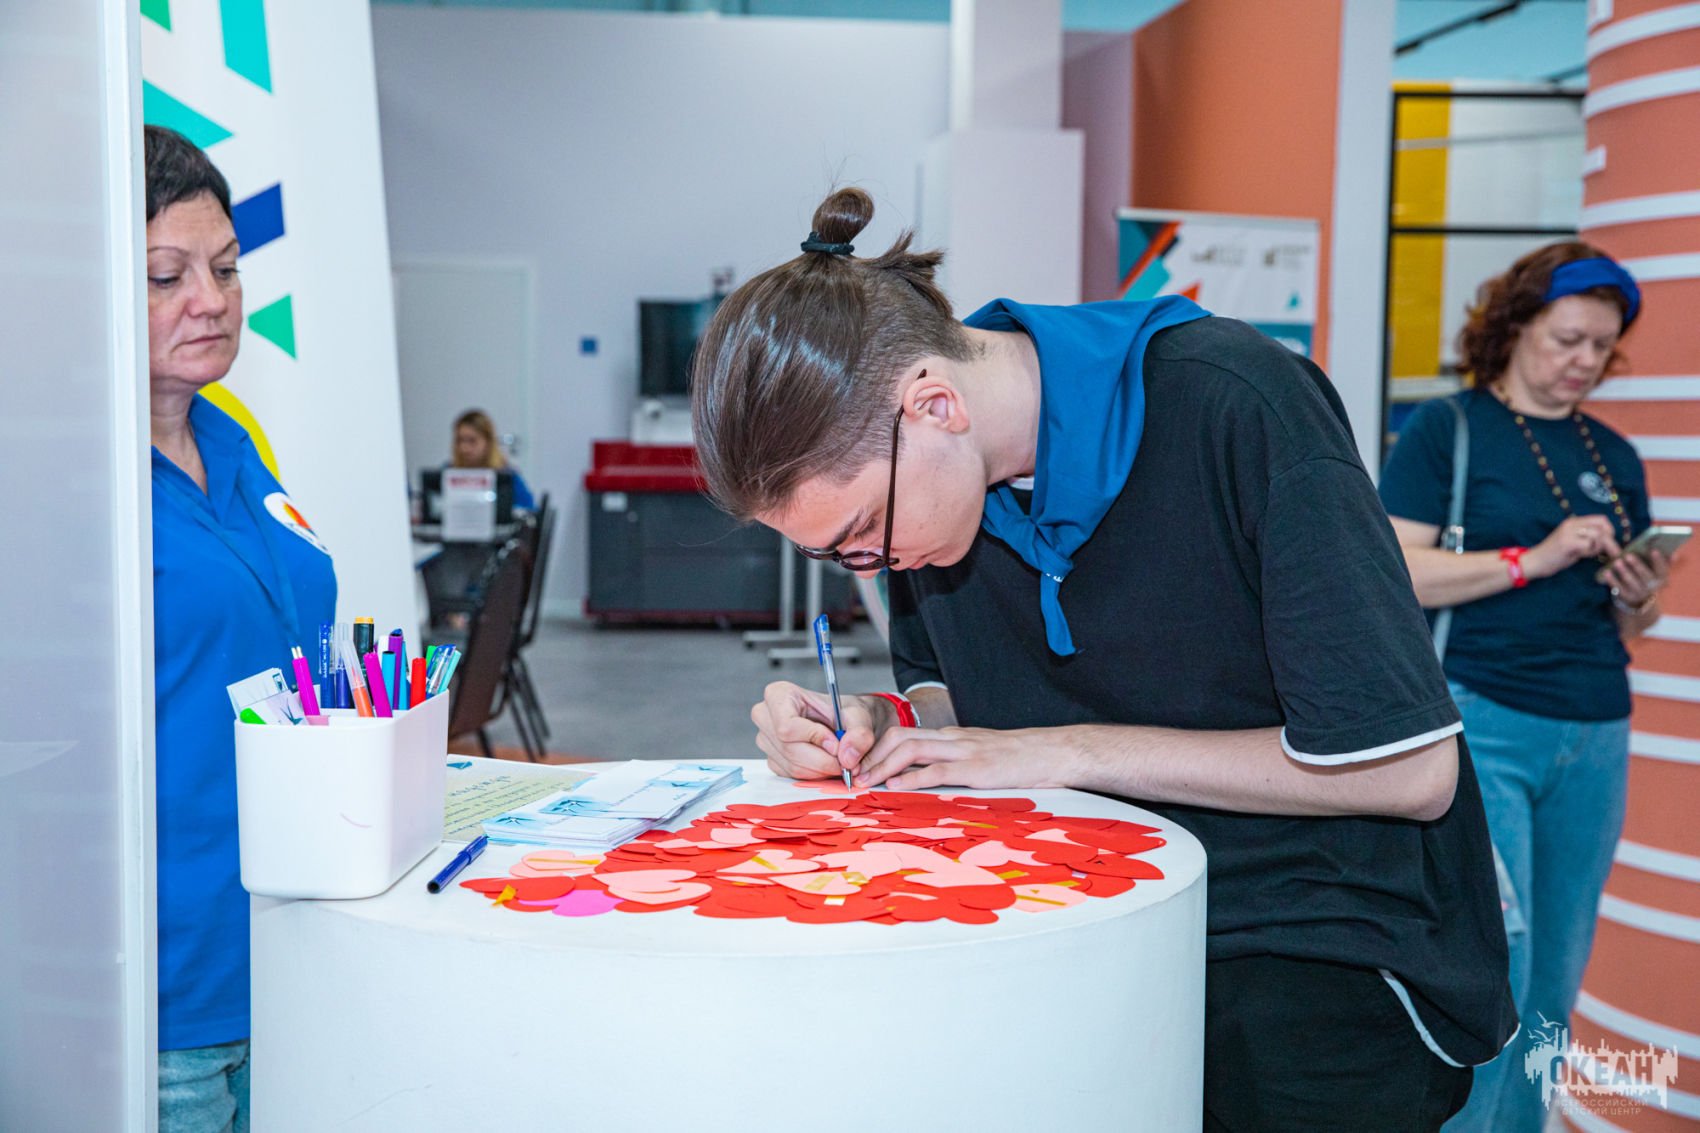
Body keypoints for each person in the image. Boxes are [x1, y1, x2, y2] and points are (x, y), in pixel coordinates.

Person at [690, 187, 1516, 1130]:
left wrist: (1069, 749)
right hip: (1082, 926)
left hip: (1307, 950)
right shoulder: (932, 502)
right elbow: (968, 708)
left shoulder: (1236, 403)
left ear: (934, 405)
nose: (866, 567)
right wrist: (885, 724)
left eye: (860, 536)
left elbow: (1410, 770)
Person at [1378, 243, 1660, 1133]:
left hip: (1596, 729)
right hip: (1480, 718)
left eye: (1601, 347)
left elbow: (1633, 625)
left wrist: (1638, 596)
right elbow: (1394, 570)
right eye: (1568, 338)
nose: (1584, 361)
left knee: (1555, 982)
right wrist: (1529, 560)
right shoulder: (1448, 430)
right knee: (1495, 965)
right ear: (1515, 326)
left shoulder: (1614, 454)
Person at [147, 125, 337, 1133]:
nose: (212, 301)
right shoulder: (67, 480)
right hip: (164, 985)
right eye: (164, 276)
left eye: (224, 268)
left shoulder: (229, 434)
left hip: (286, 939)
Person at [450, 408, 535, 510]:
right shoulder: (446, 474)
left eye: (472, 441)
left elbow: (529, 510)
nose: (464, 448)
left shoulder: (507, 478)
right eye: (460, 440)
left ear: (488, 442)